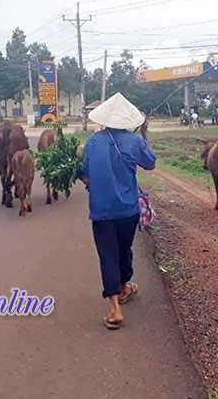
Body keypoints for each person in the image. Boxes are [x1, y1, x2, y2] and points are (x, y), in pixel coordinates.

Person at [80, 92, 156, 330]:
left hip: (102, 211)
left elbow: (84, 172)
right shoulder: (134, 141)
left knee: (108, 255)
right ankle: (123, 286)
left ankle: (115, 308)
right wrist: (143, 135)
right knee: (124, 249)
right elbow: (150, 163)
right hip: (127, 210)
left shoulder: (92, 142)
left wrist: (91, 183)